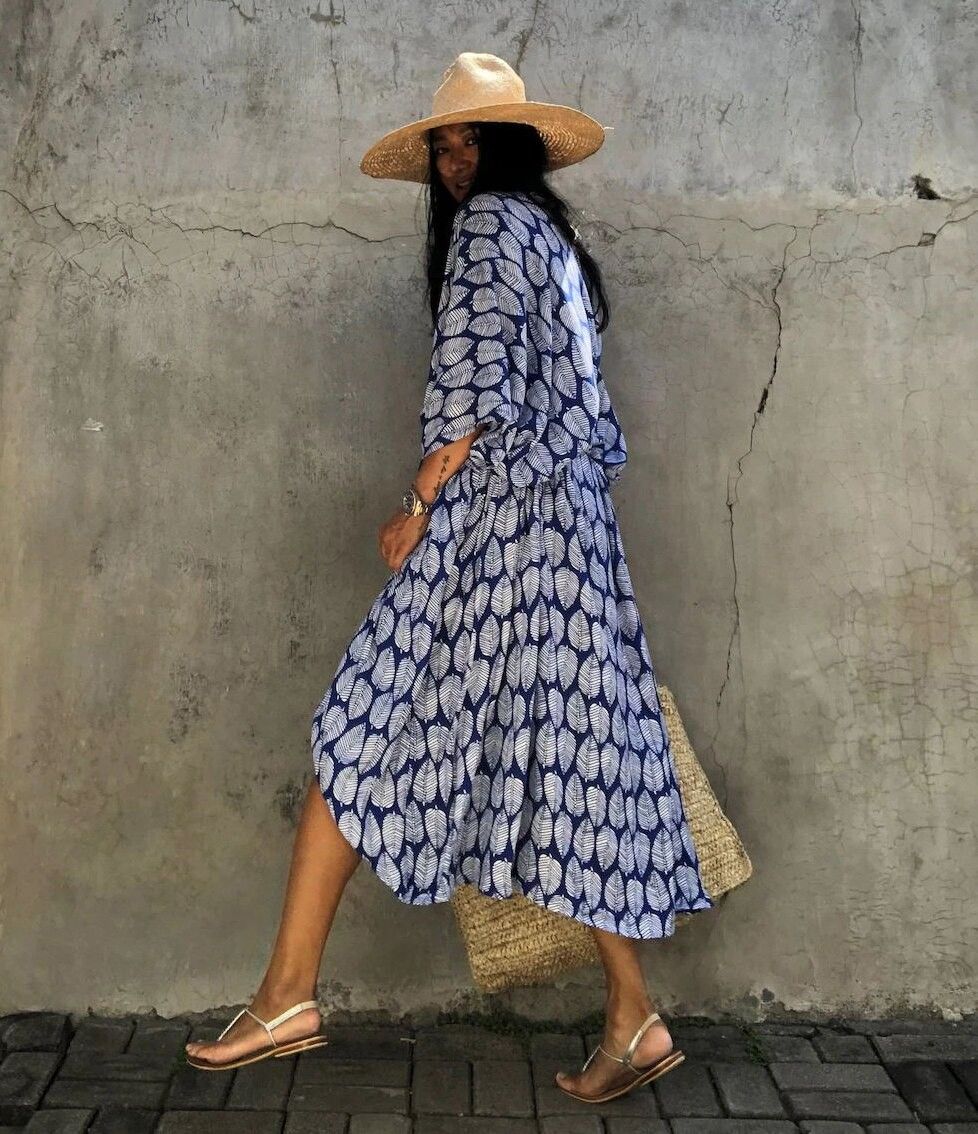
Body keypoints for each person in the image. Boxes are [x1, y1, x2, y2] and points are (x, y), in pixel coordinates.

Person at [185, 51, 714, 1104]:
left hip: (497, 533)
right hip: (572, 540)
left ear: (509, 148)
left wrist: (418, 504)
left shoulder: (487, 230)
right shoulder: (552, 242)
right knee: (572, 762)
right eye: (444, 145)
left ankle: (287, 996)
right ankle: (634, 1017)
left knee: (362, 726)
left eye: (473, 141)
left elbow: (469, 393)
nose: (456, 161)